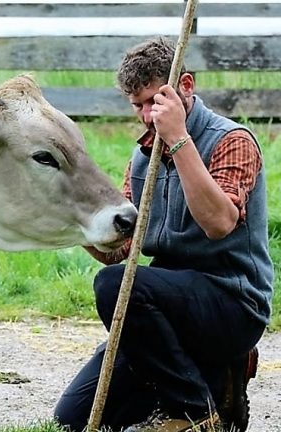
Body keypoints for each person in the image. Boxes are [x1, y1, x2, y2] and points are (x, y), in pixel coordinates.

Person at [53, 37, 273, 432]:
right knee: (72, 419)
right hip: (167, 307)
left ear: (184, 87)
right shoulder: (142, 159)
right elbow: (117, 249)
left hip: (231, 303)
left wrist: (178, 140)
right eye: (137, 105)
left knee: (116, 286)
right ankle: (214, 383)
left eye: (155, 101)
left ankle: (193, 410)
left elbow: (218, 223)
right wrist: (67, 220)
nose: (146, 116)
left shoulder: (232, 140)